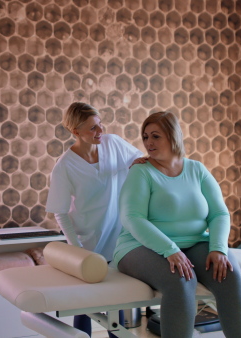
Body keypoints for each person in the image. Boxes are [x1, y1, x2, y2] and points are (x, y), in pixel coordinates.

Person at [112, 111, 241, 338]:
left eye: (155, 136)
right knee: (181, 280)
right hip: (138, 246)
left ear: (173, 136)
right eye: (146, 136)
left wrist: (218, 248)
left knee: (228, 273)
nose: (148, 142)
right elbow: (132, 218)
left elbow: (219, 213)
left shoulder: (197, 170)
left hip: (194, 242)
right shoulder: (141, 172)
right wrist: (170, 250)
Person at [45, 102, 144, 337]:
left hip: (119, 237)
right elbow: (60, 212)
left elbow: (139, 162)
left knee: (117, 299)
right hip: (88, 241)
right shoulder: (64, 167)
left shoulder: (114, 144)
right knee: (85, 305)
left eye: (100, 124)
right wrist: (77, 250)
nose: (99, 131)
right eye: (92, 128)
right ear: (76, 132)